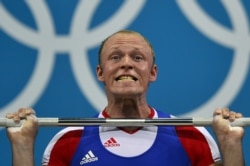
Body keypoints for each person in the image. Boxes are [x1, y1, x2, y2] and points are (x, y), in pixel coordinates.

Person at [6, 30, 244, 166]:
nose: (127, 64)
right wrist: (22, 147)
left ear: (152, 73)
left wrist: (232, 146)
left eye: (137, 58)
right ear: (100, 73)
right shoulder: (69, 141)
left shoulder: (192, 137)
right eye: (116, 57)